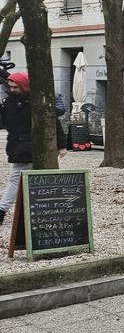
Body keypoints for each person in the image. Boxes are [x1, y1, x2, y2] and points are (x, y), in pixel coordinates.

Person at [0, 72, 69, 225]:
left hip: (32, 147)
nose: (12, 89)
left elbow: (53, 123)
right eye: (10, 87)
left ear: (24, 87)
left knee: (19, 179)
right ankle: (37, 210)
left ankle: (6, 210)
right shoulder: (8, 103)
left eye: (15, 87)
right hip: (18, 147)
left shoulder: (35, 103)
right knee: (30, 180)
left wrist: (62, 145)